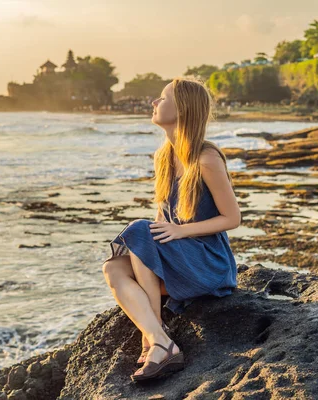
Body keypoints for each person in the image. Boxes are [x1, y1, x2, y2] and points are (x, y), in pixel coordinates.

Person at [101, 77, 241, 381]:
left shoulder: (206, 158)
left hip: (208, 263)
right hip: (179, 261)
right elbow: (161, 219)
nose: (154, 103)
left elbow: (232, 218)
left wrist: (180, 232)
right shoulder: (163, 157)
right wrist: (164, 234)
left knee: (139, 231)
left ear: (183, 109)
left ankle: (156, 342)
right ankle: (157, 337)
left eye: (162, 99)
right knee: (113, 268)